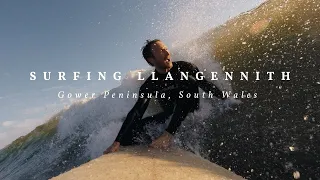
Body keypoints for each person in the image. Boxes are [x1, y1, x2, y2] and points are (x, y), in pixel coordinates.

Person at [103, 39, 227, 154]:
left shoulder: (186, 67)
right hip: (170, 116)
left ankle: (167, 135)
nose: (167, 52)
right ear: (152, 60)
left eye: (166, 49)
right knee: (130, 134)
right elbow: (137, 110)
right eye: (161, 51)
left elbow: (205, 85)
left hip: (191, 113)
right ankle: (150, 143)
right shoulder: (150, 84)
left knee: (188, 80)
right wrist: (117, 141)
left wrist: (225, 98)